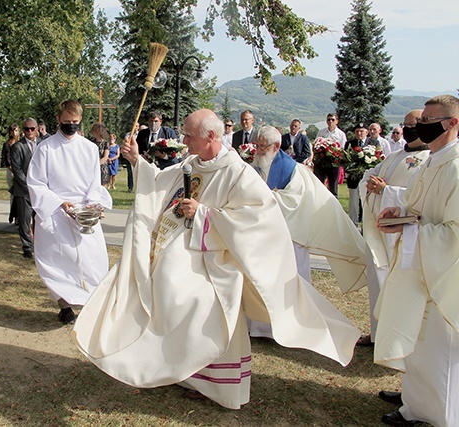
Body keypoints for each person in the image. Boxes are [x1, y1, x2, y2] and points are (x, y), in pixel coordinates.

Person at [72, 109, 359, 410]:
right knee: (164, 282)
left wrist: (204, 214)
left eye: (188, 136)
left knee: (187, 292)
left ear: (210, 136)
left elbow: (259, 220)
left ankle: (215, 381)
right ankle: (185, 368)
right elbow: (160, 183)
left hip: (219, 258)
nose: (183, 140)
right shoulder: (195, 163)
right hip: (188, 248)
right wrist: (136, 161)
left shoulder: (237, 173)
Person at [374, 95, 459, 426]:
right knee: (418, 341)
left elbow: (454, 233)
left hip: (445, 274)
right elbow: (418, 208)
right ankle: (415, 405)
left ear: (452, 123)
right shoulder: (431, 160)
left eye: (429, 121)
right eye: (421, 120)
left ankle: (440, 417)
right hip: (422, 266)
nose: (422, 126)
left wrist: (414, 230)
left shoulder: (455, 166)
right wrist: (400, 214)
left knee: (439, 349)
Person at [248, 125, 367, 338]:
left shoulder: (292, 170)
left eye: (262, 146)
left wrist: (263, 198)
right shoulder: (258, 164)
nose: (258, 150)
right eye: (256, 146)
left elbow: (292, 202)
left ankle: (290, 326)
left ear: (276, 146)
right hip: (265, 236)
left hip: (291, 236)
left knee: (288, 285)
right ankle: (260, 328)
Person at [27, 100, 112, 324]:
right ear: (58, 120)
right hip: (55, 211)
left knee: (92, 259)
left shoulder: (89, 148)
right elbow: (36, 183)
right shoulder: (45, 148)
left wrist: (93, 205)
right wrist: (59, 202)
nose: (71, 126)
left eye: (75, 122)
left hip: (83, 212)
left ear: (80, 120)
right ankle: (64, 306)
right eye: (66, 122)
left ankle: (90, 302)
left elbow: (94, 183)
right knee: (59, 262)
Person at [356, 110, 430, 348]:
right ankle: (378, 333)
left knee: (398, 284)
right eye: (405, 125)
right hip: (379, 229)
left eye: (413, 125)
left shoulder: (428, 159)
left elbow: (417, 197)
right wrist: (372, 185)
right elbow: (370, 177)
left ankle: (397, 336)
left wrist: (386, 191)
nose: (408, 129)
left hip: (401, 233)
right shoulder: (394, 155)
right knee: (378, 283)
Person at [10, 118, 37, 259]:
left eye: (32, 128)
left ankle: (38, 244)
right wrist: (28, 187)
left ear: (37, 129)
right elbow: (17, 169)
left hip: (40, 191)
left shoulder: (43, 146)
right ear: (23, 130)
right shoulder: (17, 147)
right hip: (23, 190)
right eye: (27, 129)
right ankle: (27, 247)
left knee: (39, 220)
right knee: (25, 220)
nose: (30, 131)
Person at [344, 123, 381, 225]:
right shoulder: (349, 143)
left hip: (368, 177)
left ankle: (367, 223)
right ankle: (353, 223)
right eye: (357, 131)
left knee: (367, 200)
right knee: (353, 202)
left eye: (361, 131)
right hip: (353, 177)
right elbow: (345, 159)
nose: (359, 133)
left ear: (367, 132)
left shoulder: (374, 142)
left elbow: (379, 158)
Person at [314, 113, 347, 197]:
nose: (330, 121)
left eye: (333, 120)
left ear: (337, 121)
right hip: (321, 162)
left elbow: (343, 149)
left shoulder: (341, 134)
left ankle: (333, 206)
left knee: (333, 186)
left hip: (333, 163)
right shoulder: (322, 132)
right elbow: (316, 144)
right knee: (318, 184)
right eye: (328, 120)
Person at [1, 123, 20, 224]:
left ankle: (19, 216)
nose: (14, 133)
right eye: (12, 130)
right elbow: (7, 159)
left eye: (16, 130)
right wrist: (13, 169)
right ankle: (13, 215)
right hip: (11, 171)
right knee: (13, 193)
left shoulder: (21, 143)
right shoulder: (7, 144)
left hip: (20, 171)